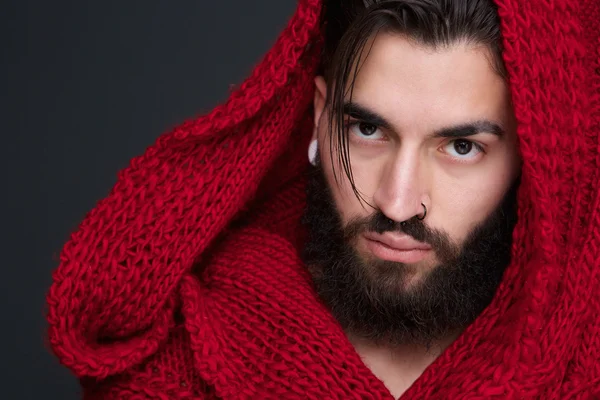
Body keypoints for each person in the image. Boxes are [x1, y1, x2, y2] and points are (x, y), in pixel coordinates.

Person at [46, 0, 599, 398]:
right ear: (320, 114)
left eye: (460, 146)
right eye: (366, 131)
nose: (399, 202)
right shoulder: (182, 350)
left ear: (538, 158)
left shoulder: (585, 362)